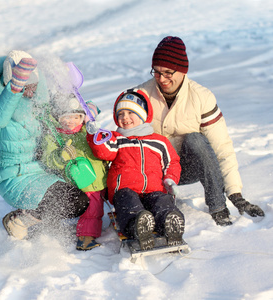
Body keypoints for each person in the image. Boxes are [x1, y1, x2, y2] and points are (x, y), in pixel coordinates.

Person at [135, 36, 265, 226]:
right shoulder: (141, 95)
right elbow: (124, 140)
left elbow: (222, 148)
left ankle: (218, 208)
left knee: (196, 139)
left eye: (168, 72)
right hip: (152, 172)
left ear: (182, 70)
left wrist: (235, 194)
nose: (161, 79)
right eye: (156, 72)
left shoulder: (201, 97)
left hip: (185, 169)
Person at [0, 50, 89, 240]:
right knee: (58, 201)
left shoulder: (38, 103)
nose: (30, 91)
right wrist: (15, 89)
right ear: (9, 84)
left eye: (34, 85)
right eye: (25, 86)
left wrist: (85, 112)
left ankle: (36, 215)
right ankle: (18, 220)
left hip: (42, 171)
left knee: (78, 201)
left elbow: (63, 114)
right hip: (15, 176)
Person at [86, 89, 185, 251]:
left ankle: (169, 223)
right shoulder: (117, 139)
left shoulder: (159, 141)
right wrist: (94, 134)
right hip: (125, 190)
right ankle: (138, 227)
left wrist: (170, 179)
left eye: (130, 113)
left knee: (162, 202)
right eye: (120, 114)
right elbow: (103, 150)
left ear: (143, 115)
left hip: (155, 189)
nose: (124, 118)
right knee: (129, 205)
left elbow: (172, 162)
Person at [40, 92, 108, 251]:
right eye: (66, 117)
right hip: (81, 180)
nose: (71, 121)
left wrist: (89, 110)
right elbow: (48, 159)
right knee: (92, 209)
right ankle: (85, 237)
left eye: (76, 117)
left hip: (100, 177)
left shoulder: (86, 129)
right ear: (58, 117)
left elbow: (93, 109)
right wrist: (60, 155)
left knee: (98, 207)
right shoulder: (54, 136)